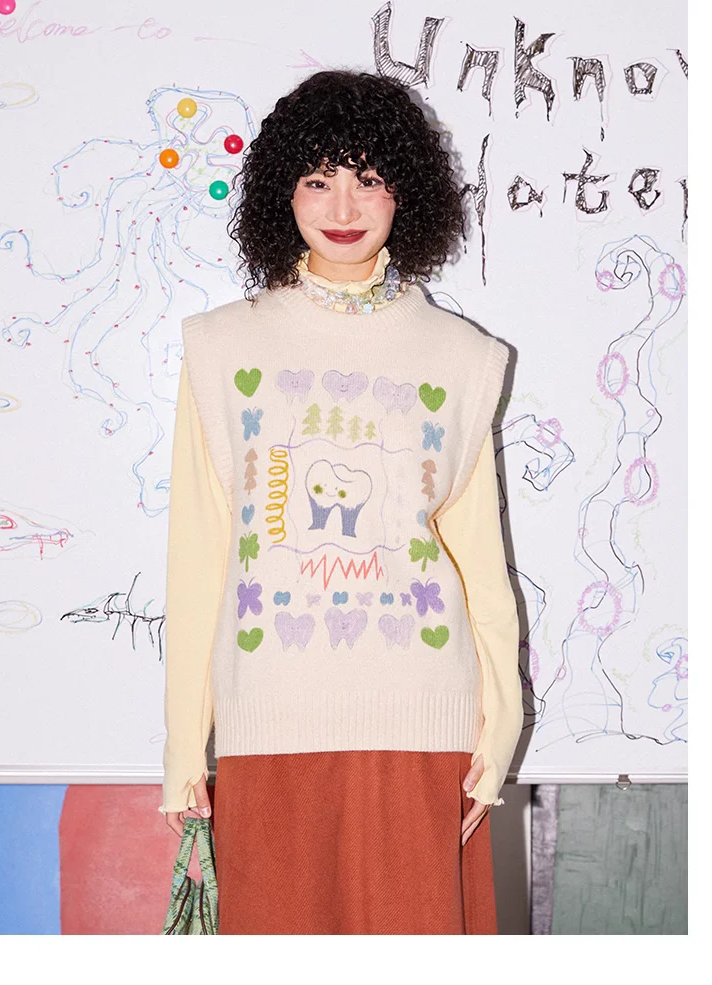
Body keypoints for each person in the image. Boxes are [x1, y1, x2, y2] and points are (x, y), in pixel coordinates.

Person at [158, 69, 523, 934]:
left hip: (425, 725)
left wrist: (500, 727)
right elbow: (200, 557)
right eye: (318, 179)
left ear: (406, 190)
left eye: (368, 176)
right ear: (282, 191)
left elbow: (481, 562)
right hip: (270, 720)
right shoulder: (221, 348)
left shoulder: (462, 357)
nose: (344, 205)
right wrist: (182, 745)